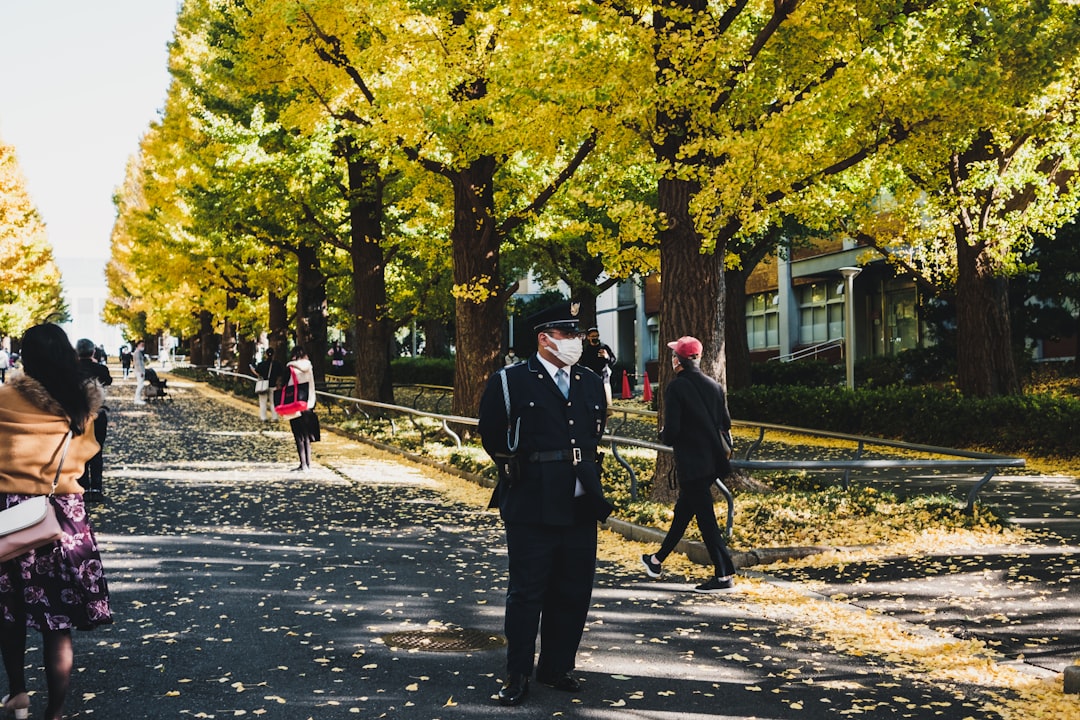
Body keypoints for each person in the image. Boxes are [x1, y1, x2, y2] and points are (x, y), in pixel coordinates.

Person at [478, 301, 613, 707]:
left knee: (573, 591)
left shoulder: (589, 380)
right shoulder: (512, 380)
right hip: (532, 501)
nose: (576, 341)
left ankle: (556, 666)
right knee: (527, 593)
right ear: (545, 338)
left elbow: (595, 431)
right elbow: (492, 434)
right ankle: (517, 672)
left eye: (576, 334)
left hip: (579, 503)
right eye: (568, 335)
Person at [0, 323, 113, 720]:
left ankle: (17, 694)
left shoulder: (3, 399)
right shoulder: (81, 407)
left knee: (7, 612)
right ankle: (57, 711)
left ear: (25, 359)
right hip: (62, 515)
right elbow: (87, 458)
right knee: (57, 620)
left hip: (9, 513)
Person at [641, 335, 738, 593]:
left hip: (691, 464)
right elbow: (725, 423)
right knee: (683, 513)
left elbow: (671, 433)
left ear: (678, 361)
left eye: (674, 355)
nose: (672, 358)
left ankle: (724, 575)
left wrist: (663, 432)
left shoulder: (675, 387)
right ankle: (656, 560)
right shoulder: (715, 386)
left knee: (706, 522)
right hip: (713, 462)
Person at [75, 339, 113, 503]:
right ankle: (96, 488)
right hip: (97, 412)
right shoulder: (100, 369)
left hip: (78, 414)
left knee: (79, 450)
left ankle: (82, 486)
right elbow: (108, 381)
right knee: (97, 449)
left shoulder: (71, 370)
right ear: (93, 352)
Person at [278, 347, 318, 471]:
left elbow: (284, 384)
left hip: (294, 404)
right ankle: (309, 464)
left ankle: (303, 463)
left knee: (298, 435)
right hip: (308, 403)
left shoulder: (290, 368)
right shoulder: (309, 367)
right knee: (306, 435)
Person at [579, 328, 616, 405]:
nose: (595, 338)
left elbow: (613, 360)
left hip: (603, 377)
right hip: (590, 377)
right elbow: (582, 363)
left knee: (607, 400)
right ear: (588, 337)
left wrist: (607, 356)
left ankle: (607, 413)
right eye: (592, 336)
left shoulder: (604, 347)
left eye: (596, 336)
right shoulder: (586, 349)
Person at [250, 348, 286, 422]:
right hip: (273, 385)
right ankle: (275, 417)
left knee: (263, 402)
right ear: (273, 354)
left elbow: (258, 373)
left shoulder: (262, 364)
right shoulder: (277, 364)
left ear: (266, 354)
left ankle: (263, 417)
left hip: (263, 385)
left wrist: (252, 370)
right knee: (273, 402)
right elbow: (280, 375)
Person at [132, 340, 146, 405]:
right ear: (138, 345)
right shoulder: (137, 353)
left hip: (139, 371)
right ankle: (137, 399)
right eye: (142, 345)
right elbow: (138, 363)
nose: (143, 346)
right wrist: (141, 372)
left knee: (140, 385)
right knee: (140, 385)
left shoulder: (138, 352)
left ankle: (138, 398)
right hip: (139, 371)